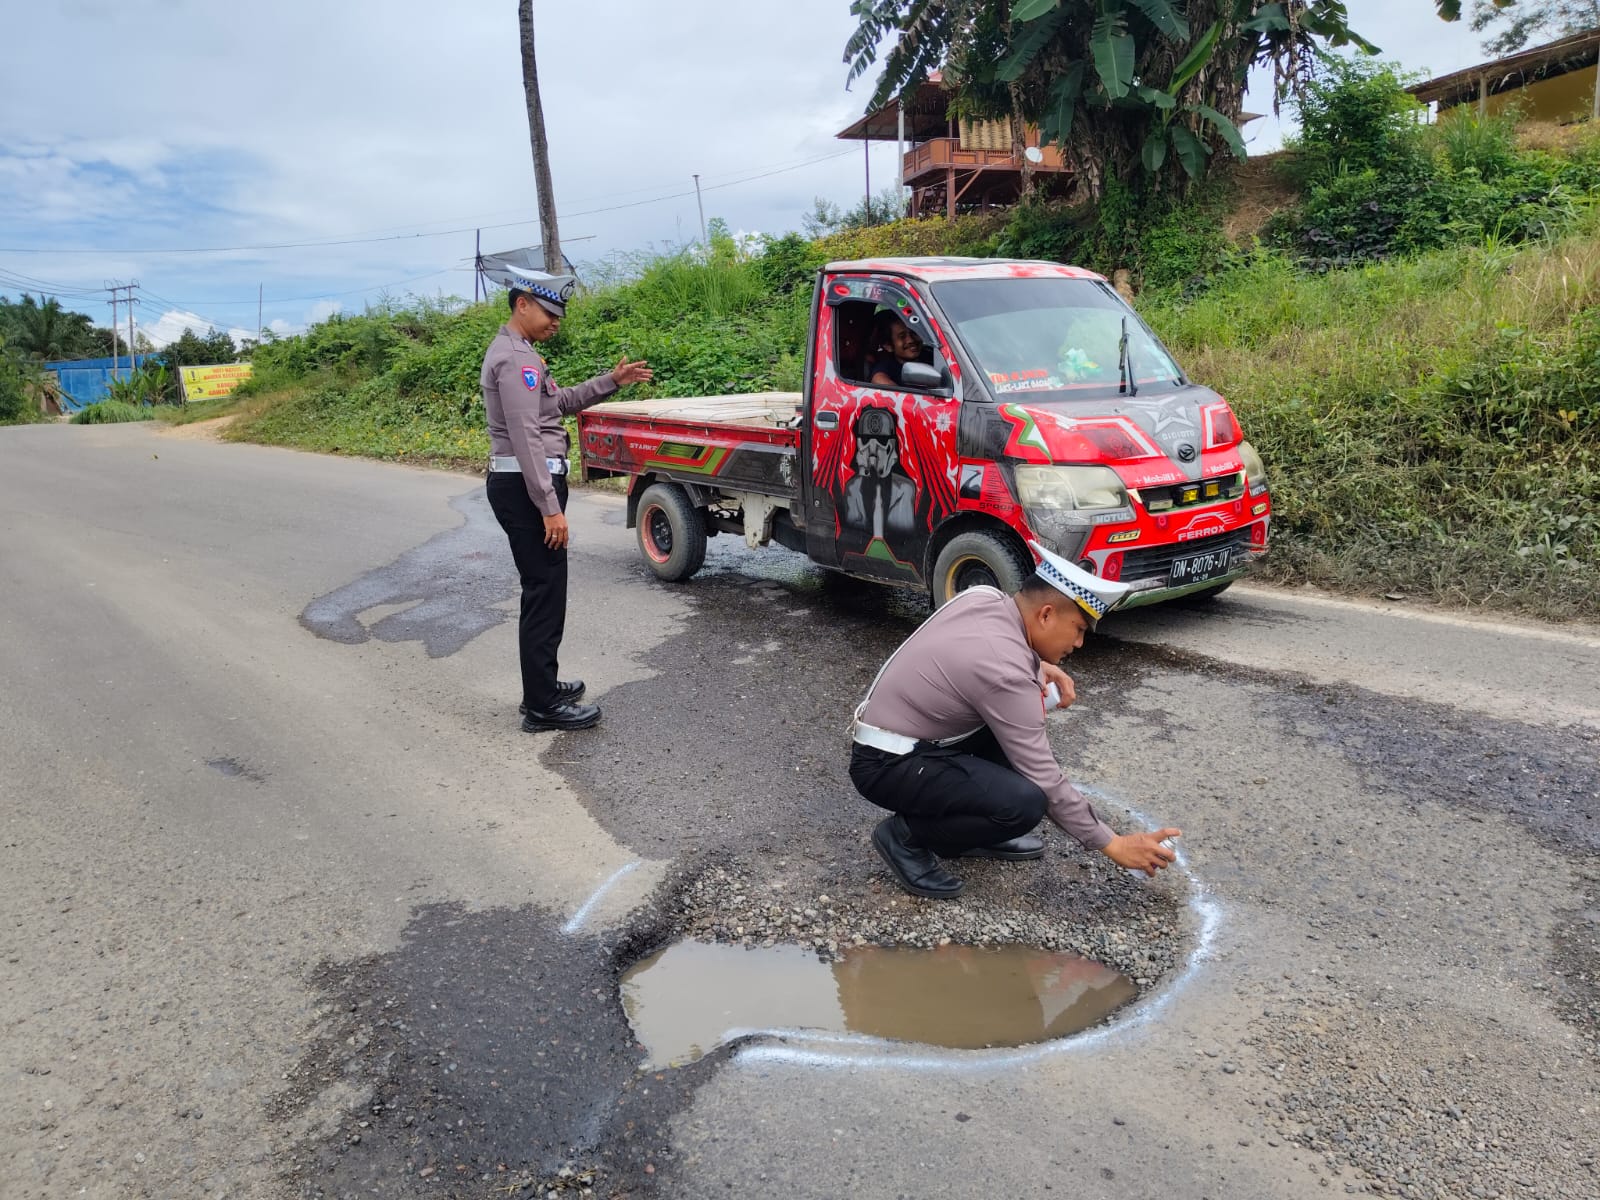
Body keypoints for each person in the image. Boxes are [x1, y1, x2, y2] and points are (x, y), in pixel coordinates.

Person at [849, 541, 1182, 898]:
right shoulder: (1006, 672)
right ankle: (905, 838)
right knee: (1025, 803)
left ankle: (974, 834)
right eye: (1079, 629)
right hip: (886, 765)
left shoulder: (986, 597)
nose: (1079, 643)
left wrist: (1037, 665)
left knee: (1011, 742)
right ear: (1046, 615)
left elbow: (980, 652)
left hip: (898, 739)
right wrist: (1112, 843)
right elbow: (1044, 776)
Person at [481, 268, 652, 732]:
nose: (555, 322)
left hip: (525, 486)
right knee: (544, 592)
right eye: (549, 312)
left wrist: (612, 380)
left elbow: (556, 405)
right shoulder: (516, 359)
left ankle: (542, 687)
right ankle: (542, 707)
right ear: (522, 305)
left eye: (559, 315)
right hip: (527, 490)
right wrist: (549, 507)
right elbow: (526, 435)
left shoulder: (521, 353)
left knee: (546, 590)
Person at [866, 311, 926, 388]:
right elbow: (879, 380)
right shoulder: (885, 369)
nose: (911, 340)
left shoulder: (932, 355)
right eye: (902, 336)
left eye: (914, 333)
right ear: (888, 346)